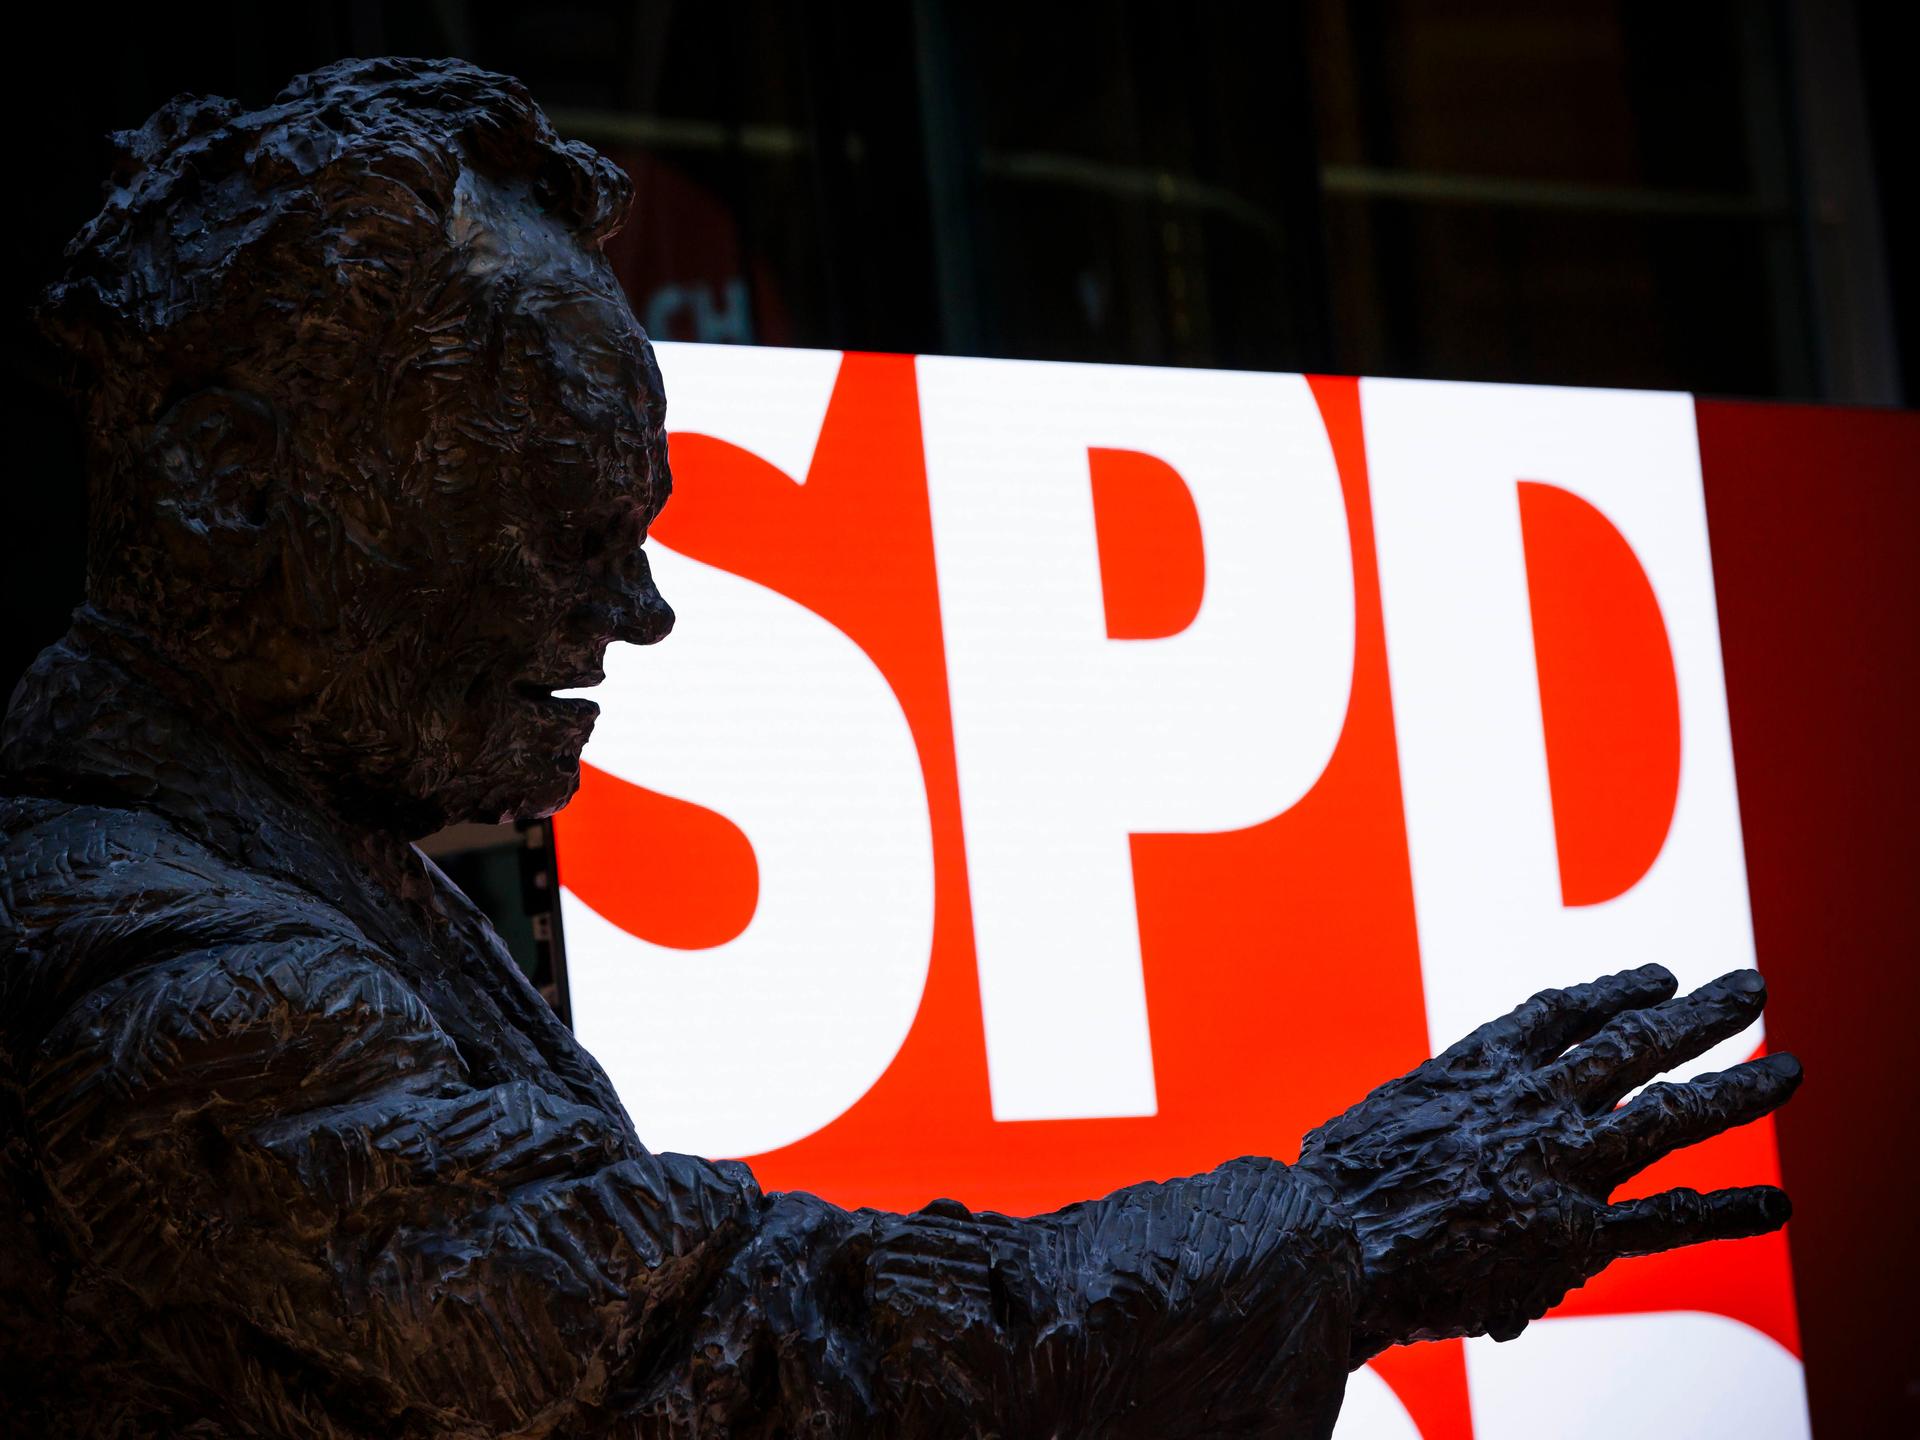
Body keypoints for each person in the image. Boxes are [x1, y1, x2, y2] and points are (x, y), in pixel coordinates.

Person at [0, 57, 1800, 1438]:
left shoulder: (273, 864)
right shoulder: (143, 968)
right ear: (229, 489)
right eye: (557, 524)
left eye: (639, 526)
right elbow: (738, 1360)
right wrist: (1337, 1235)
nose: (638, 615)